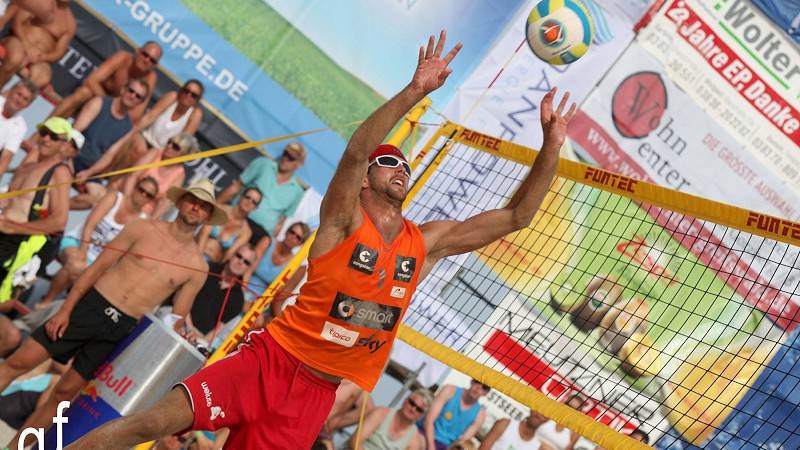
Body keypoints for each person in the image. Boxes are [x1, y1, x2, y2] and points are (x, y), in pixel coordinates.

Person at [66, 30, 576, 449]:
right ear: (364, 182)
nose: (400, 168)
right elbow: (355, 152)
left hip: (314, 396)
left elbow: (516, 216)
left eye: (404, 165)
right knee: (148, 424)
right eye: (388, 162)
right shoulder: (342, 220)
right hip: (270, 361)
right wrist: (414, 92)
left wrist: (550, 148)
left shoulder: (426, 242)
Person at [0, 178, 227, 449]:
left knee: (63, 395)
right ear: (180, 201)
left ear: (208, 217)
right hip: (91, 305)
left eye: (203, 206)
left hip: (122, 329)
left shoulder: (197, 267)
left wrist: (184, 337)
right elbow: (96, 268)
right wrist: (66, 308)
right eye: (192, 200)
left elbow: (175, 319)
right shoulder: (142, 228)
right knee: (19, 362)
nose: (196, 208)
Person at [34, 176, 158, 308]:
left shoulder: (142, 222)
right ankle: (46, 302)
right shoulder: (114, 198)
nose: (143, 195)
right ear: (134, 188)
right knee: (76, 265)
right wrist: (83, 251)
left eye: (148, 195)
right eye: (141, 190)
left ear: (151, 200)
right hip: (77, 242)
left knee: (101, 284)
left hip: (99, 260)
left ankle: (63, 306)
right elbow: (89, 225)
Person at [0, 117, 73, 305]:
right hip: (4, 232)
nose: (46, 139)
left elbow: (59, 221)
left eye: (53, 137)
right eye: (43, 133)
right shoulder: (28, 166)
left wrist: (13, 227)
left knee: (5, 302)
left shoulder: (60, 172)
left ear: (63, 145)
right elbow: (8, 200)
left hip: (16, 243)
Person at [69, 79, 148, 210]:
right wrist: (69, 161)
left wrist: (88, 173)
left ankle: (57, 209)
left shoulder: (128, 128)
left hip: (89, 169)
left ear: (140, 103)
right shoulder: (99, 103)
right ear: (123, 89)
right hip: (71, 156)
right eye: (131, 91)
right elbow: (73, 133)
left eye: (138, 96)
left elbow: (109, 156)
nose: (132, 96)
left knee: (102, 200)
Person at [217, 141, 306, 241]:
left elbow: (281, 221)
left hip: (261, 233)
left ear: (299, 164)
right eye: (285, 154)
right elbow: (236, 186)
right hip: (237, 218)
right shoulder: (263, 164)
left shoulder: (298, 192)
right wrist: (214, 205)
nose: (286, 159)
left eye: (291, 158)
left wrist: (268, 241)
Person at [51, 41, 161, 121]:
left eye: (152, 60)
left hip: (116, 113)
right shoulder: (122, 58)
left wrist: (113, 111)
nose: (146, 60)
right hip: (99, 97)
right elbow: (91, 81)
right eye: (145, 54)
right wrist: (107, 104)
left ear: (155, 65)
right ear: (138, 51)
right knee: (84, 92)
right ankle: (46, 128)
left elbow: (136, 114)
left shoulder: (150, 78)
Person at [182, 244, 255, 345]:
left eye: (246, 262)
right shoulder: (208, 268)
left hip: (199, 336)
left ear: (248, 269)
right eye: (239, 256)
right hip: (181, 317)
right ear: (232, 255)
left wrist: (199, 339)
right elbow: (184, 298)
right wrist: (189, 328)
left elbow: (215, 332)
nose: (240, 262)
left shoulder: (238, 299)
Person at [117, 132, 198, 218]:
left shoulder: (179, 174)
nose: (169, 146)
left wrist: (150, 221)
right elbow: (132, 176)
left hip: (145, 212)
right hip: (126, 194)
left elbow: (165, 203)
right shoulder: (155, 153)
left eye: (175, 147)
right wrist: (126, 201)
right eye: (169, 142)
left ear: (182, 155)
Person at [0, 0, 75, 89]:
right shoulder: (40, 2)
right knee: (16, 57)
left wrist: (42, 57)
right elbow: (17, 22)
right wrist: (27, 46)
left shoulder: (70, 23)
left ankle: (10, 95)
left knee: (43, 77)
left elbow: (59, 53)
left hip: (40, 58)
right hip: (19, 41)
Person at [125, 79, 204, 163]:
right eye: (186, 91)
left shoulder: (195, 114)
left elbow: (181, 144)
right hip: (143, 138)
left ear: (197, 100)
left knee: (145, 158)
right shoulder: (172, 97)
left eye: (193, 95)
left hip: (161, 153)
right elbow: (148, 117)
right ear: (181, 91)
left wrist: (157, 154)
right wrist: (128, 134)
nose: (188, 95)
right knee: (137, 149)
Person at [245, 221, 310, 311]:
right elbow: (247, 270)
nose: (293, 237)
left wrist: (257, 307)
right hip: (244, 288)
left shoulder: (294, 265)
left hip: (261, 304)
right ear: (287, 231)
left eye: (298, 237)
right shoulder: (268, 242)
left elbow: (278, 296)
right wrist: (242, 295)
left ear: (301, 243)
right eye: (292, 232)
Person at [349, 389, 432, 450]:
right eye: (412, 403)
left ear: (422, 415)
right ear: (405, 400)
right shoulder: (380, 413)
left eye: (419, 409)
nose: (413, 409)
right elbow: (355, 441)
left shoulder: (415, 439)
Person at [197, 186, 261, 263]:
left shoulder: (246, 232)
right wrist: (198, 259)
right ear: (240, 197)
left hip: (212, 263)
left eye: (254, 202)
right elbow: (203, 235)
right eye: (247, 197)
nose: (249, 202)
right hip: (195, 251)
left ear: (255, 208)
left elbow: (228, 256)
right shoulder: (219, 209)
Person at [424, 380, 490, 450]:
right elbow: (428, 420)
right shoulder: (450, 390)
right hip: (425, 434)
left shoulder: (480, 415)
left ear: (486, 393)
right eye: (478, 381)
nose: (479, 387)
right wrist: (431, 446)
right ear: (472, 381)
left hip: (446, 446)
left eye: (485, 387)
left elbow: (462, 442)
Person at [0, 78, 37, 175]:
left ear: (28, 105)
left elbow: (6, 158)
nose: (19, 100)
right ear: (11, 91)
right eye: (19, 94)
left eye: (25, 99)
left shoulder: (20, 127)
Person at [479, 409, 555, 450]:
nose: (539, 415)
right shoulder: (504, 424)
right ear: (532, 408)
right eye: (538, 409)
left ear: (548, 419)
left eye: (544, 415)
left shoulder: (537, 447)